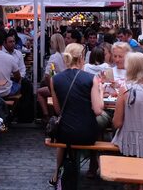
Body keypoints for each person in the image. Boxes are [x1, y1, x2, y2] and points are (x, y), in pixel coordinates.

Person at [49, 43, 104, 186]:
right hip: (87, 133)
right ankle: (95, 167)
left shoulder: (54, 79)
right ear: (81, 58)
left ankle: (57, 173)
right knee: (101, 130)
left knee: (64, 137)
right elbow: (98, 110)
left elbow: (57, 110)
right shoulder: (91, 78)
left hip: (64, 133)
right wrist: (101, 91)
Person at [37, 33, 67, 120]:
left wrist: (51, 88)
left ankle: (47, 116)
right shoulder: (69, 56)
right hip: (69, 86)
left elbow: (47, 75)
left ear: (54, 43)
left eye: (51, 42)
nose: (50, 44)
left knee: (40, 92)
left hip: (59, 88)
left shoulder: (54, 57)